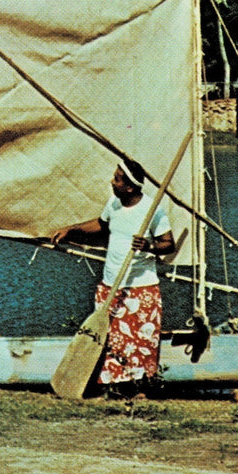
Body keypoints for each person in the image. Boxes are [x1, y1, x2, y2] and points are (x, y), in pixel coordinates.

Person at [51, 156, 175, 390]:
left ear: (129, 186)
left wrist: (148, 246)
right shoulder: (114, 204)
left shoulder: (152, 210)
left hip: (141, 288)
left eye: (117, 179)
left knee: (141, 342)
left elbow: (169, 244)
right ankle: (112, 386)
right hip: (110, 284)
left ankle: (140, 389)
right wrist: (72, 229)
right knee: (111, 339)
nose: (112, 182)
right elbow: (102, 224)